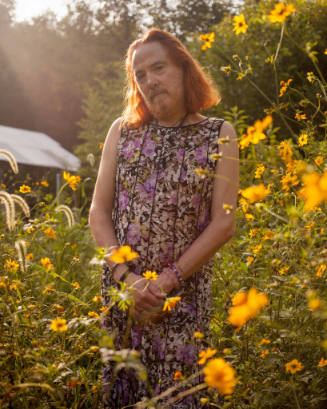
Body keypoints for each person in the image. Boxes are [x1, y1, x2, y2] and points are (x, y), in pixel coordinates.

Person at [89, 28, 239, 408]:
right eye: (140, 75)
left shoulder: (220, 134)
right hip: (124, 301)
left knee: (178, 399)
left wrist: (167, 282)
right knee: (121, 395)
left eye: (158, 68)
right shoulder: (121, 133)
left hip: (183, 303)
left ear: (184, 69)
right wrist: (128, 280)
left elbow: (224, 224)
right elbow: (98, 213)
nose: (149, 81)